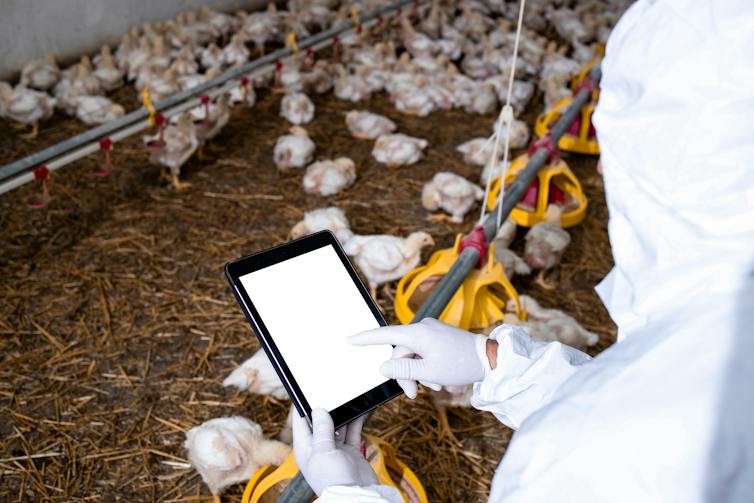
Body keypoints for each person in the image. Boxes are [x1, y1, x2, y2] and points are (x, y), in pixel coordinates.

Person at [293, 0, 754, 500]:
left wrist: (349, 492)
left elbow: (623, 429)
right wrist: (492, 361)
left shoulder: (595, 456)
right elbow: (652, 401)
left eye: (617, 155)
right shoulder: (714, 343)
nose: (599, 170)